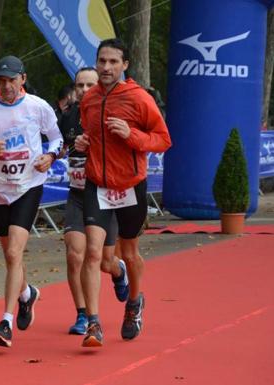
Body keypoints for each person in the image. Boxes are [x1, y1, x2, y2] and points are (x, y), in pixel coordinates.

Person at [0, 55, 63, 347]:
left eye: (10, 80)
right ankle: (27, 294)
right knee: (10, 255)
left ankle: (5, 321)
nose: (4, 86)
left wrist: (50, 156)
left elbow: (56, 138)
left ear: (23, 80)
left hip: (29, 185)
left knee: (14, 253)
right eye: (0, 81)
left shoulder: (37, 106)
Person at [75, 38, 171, 347]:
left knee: (128, 254)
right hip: (97, 184)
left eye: (113, 62)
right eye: (102, 61)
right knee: (93, 253)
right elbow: (88, 134)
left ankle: (134, 303)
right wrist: (82, 143)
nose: (106, 67)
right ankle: (93, 324)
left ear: (124, 65)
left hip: (130, 185)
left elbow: (162, 140)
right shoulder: (88, 99)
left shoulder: (139, 98)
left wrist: (133, 136)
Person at [59, 67, 129, 336]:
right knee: (75, 254)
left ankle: (118, 271)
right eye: (80, 86)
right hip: (77, 195)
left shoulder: (109, 111)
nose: (85, 91)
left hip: (104, 195)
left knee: (102, 260)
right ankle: (83, 314)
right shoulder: (68, 116)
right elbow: (58, 145)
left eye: (90, 85)